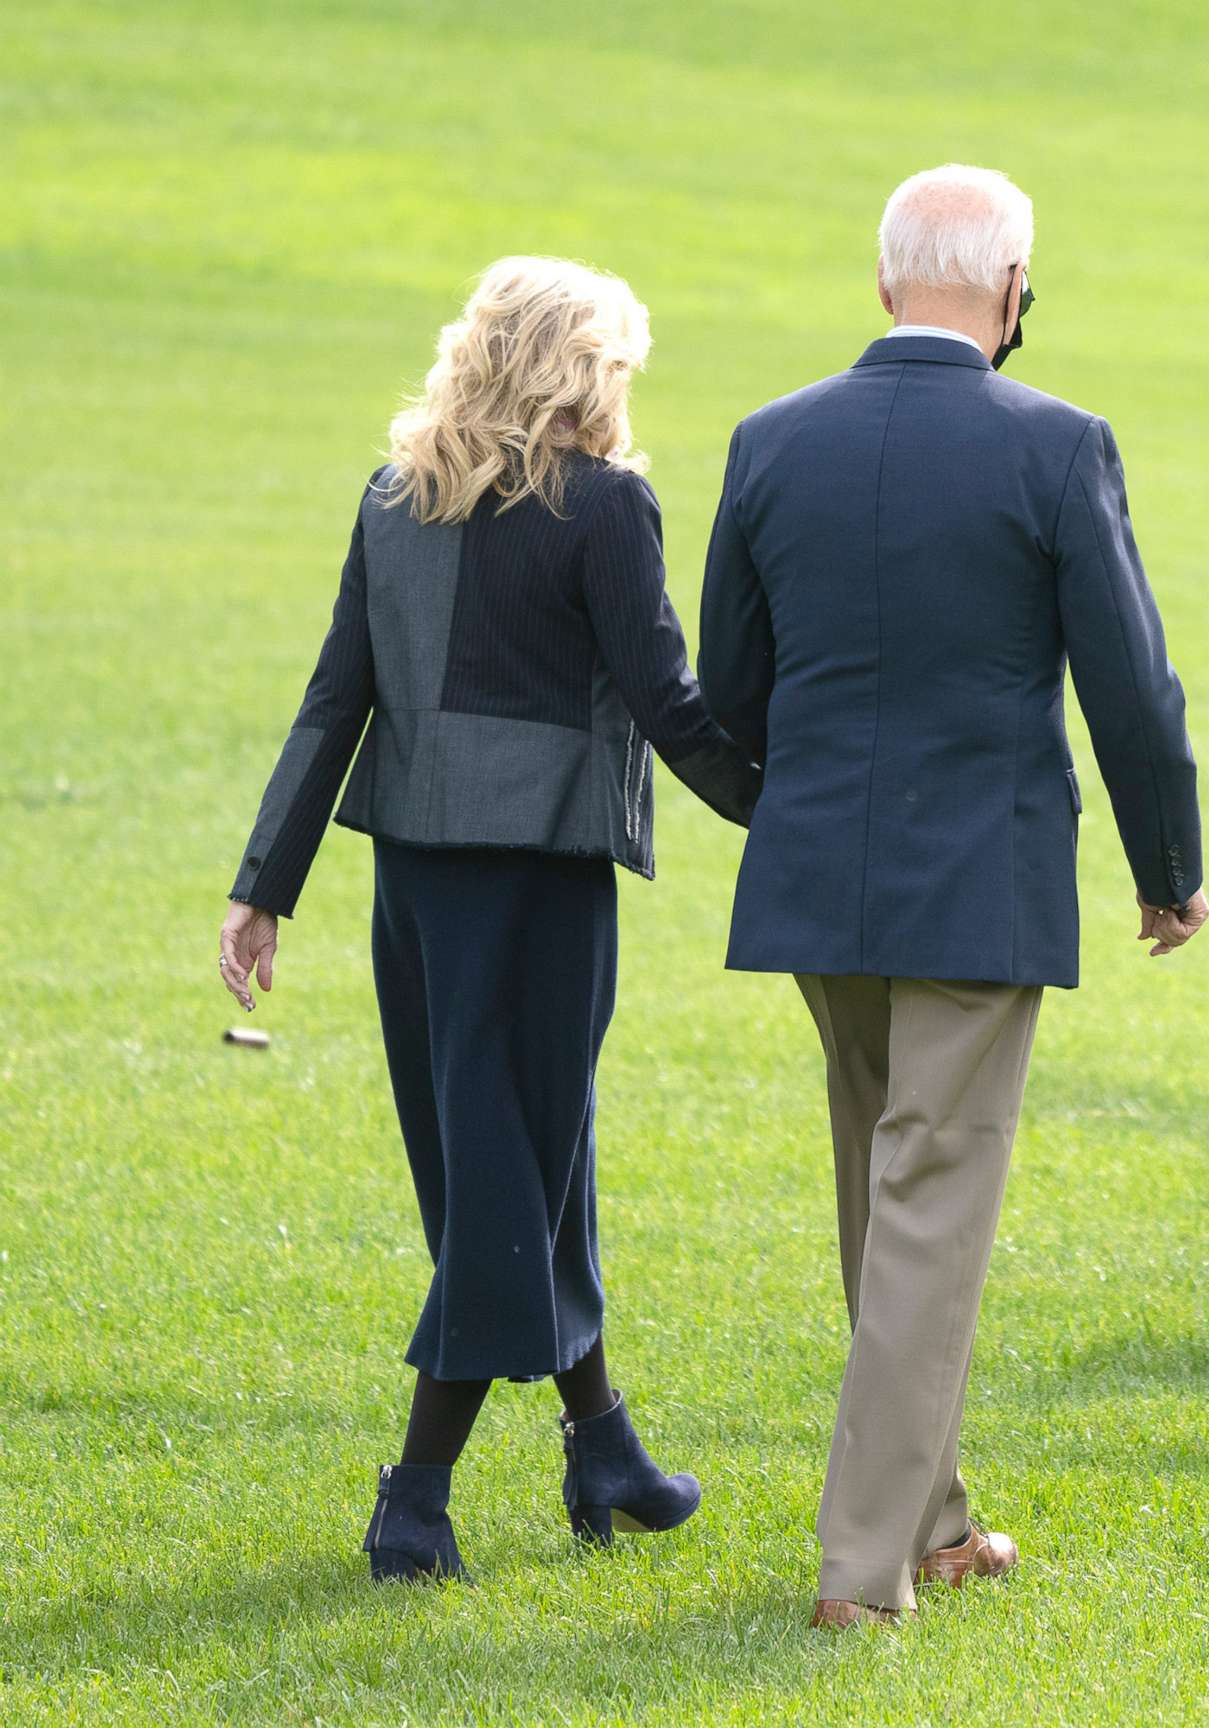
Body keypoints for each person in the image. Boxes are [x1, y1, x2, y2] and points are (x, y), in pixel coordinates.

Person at [697, 164, 1208, 1629]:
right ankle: (863, 1570)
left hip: (818, 876)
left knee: (882, 1188)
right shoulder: (1058, 445)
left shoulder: (770, 440)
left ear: (881, 285)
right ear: (1011, 290)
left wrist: (782, 814)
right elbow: (1132, 684)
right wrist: (1166, 868)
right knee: (927, 1200)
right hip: (978, 879)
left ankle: (933, 1521)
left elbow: (728, 692)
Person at [216, 256, 760, 1583]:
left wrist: (262, 888)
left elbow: (333, 698)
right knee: (506, 1185)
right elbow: (668, 700)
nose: (627, 389)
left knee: (511, 1170)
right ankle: (414, 1499)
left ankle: (605, 1449)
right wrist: (787, 809)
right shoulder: (609, 508)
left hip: (417, 893)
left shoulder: (397, 497)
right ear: (580, 368)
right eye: (619, 363)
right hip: (538, 892)